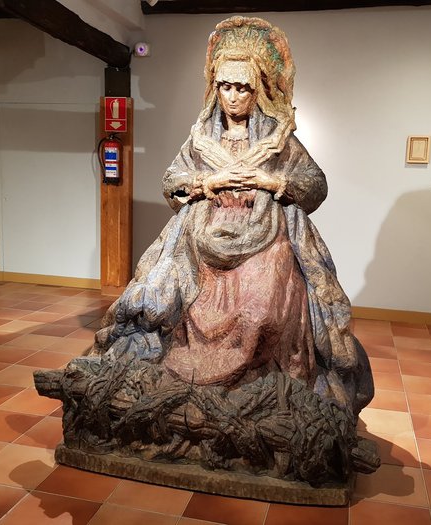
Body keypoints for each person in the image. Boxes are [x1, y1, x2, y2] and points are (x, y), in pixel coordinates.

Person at [95, 16, 373, 424]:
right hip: (201, 237)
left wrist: (272, 180)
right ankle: (191, 386)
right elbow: (171, 182)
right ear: (215, 88)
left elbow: (315, 184)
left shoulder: (278, 141)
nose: (233, 97)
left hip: (265, 234)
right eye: (225, 86)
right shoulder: (201, 140)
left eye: (242, 87)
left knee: (263, 307)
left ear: (257, 90)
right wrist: (208, 181)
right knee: (168, 295)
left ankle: (257, 387)